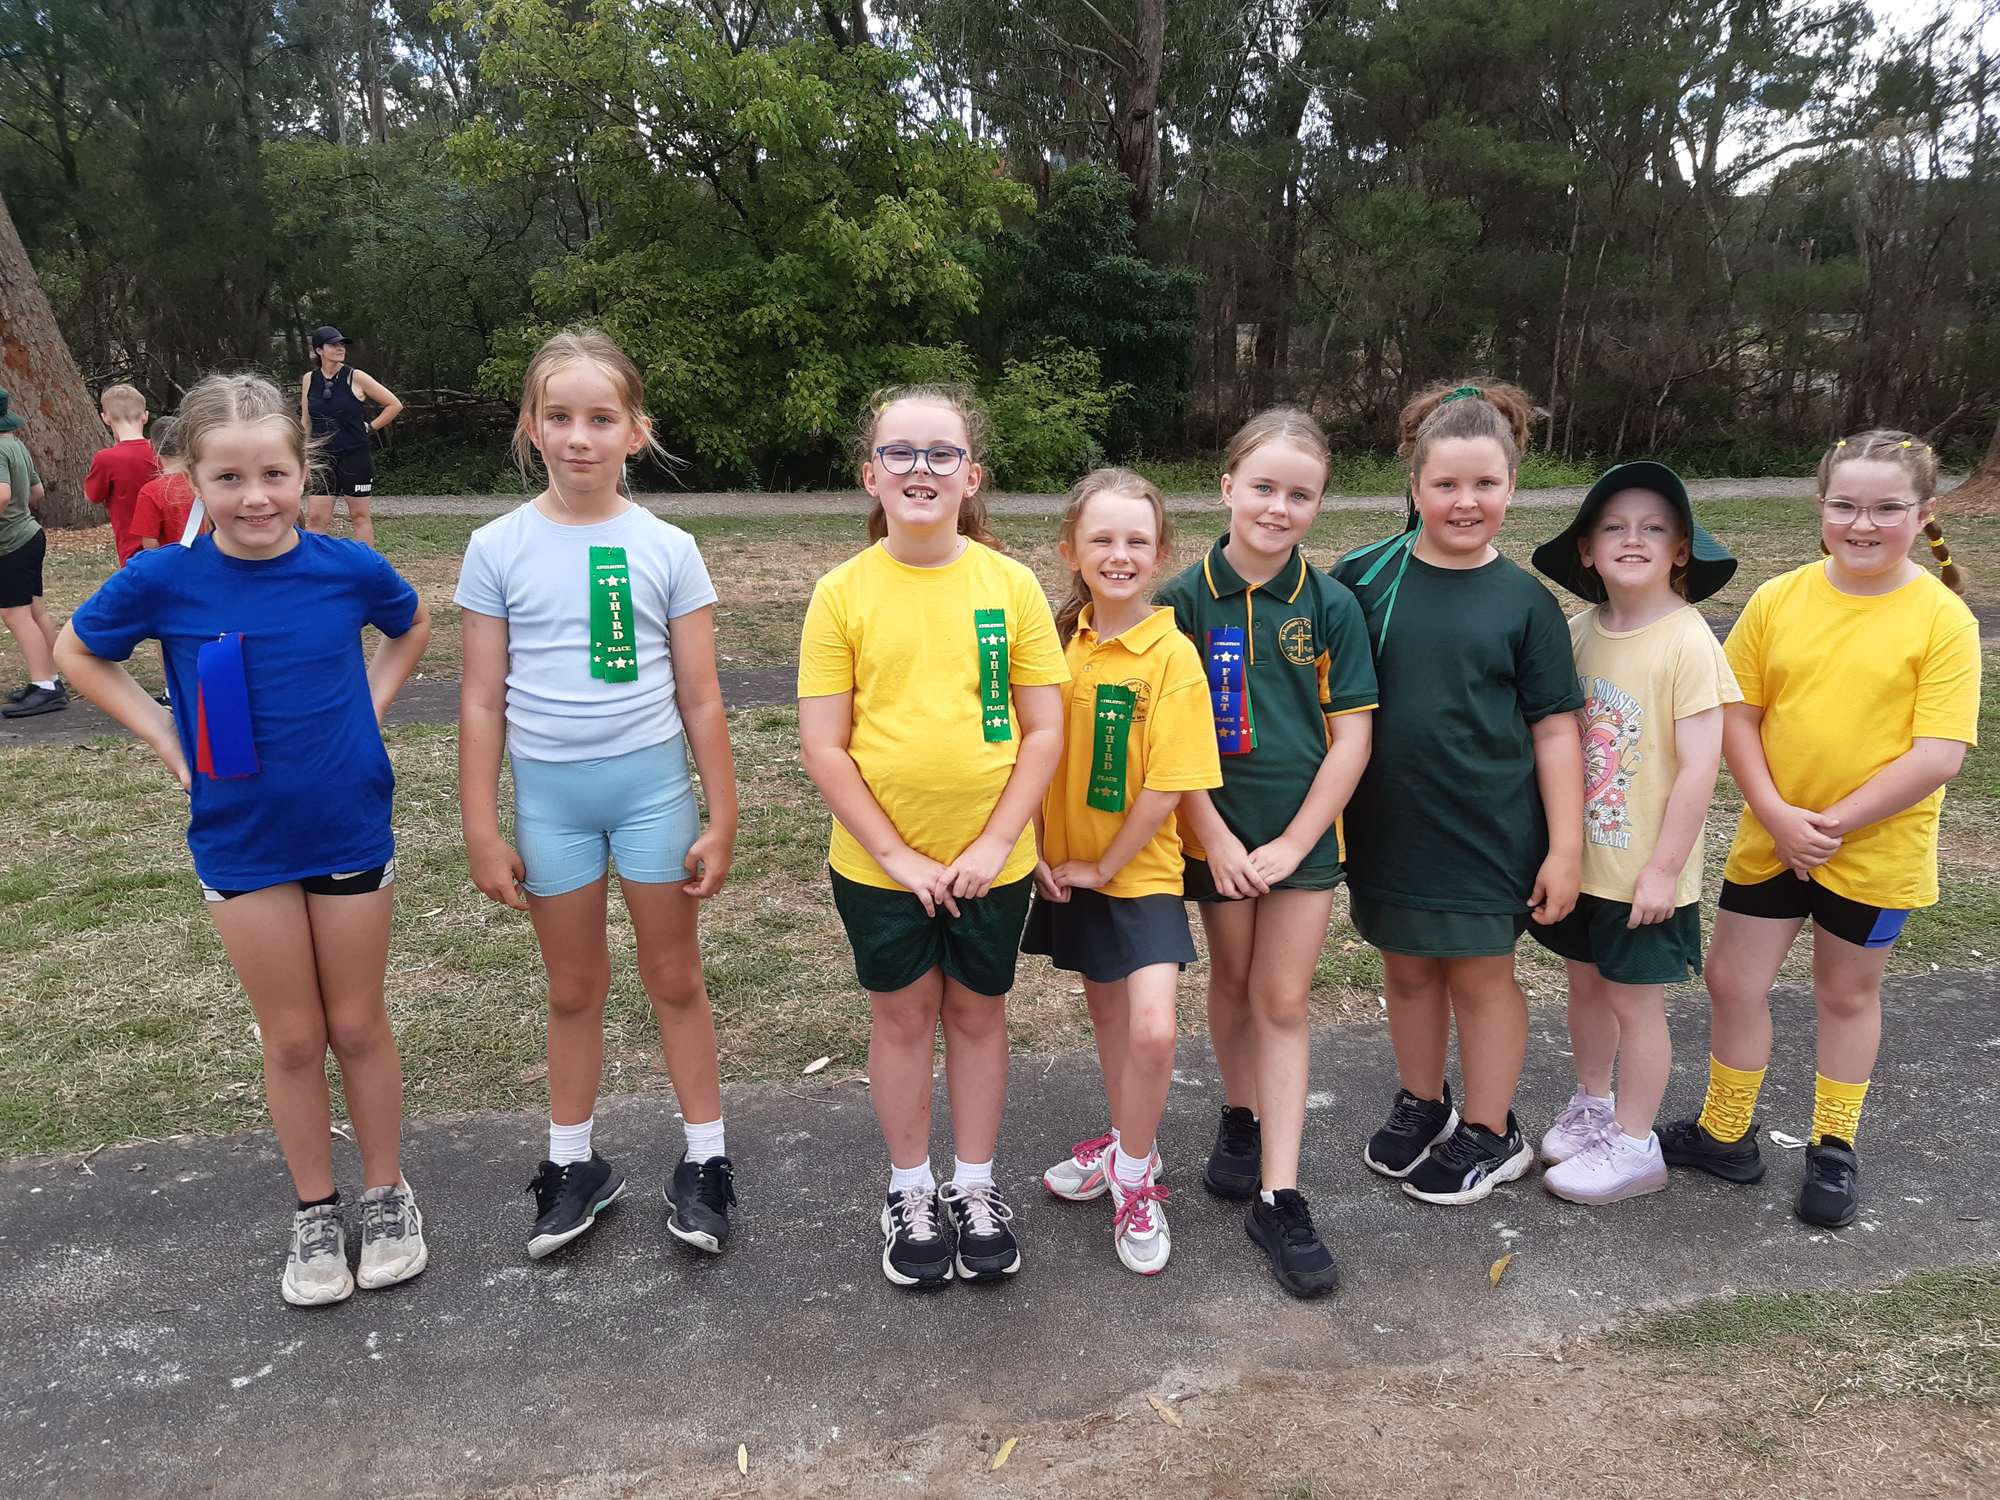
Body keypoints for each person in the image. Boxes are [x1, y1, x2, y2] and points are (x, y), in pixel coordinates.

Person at [53, 372, 433, 1306]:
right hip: (241, 839)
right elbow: (75, 651)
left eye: (273, 475)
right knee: (294, 1038)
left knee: (356, 1024)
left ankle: (387, 1195)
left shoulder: (346, 567)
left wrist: (369, 709)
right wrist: (164, 733)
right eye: (229, 478)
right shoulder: (164, 579)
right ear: (191, 481)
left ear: (304, 473)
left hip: (346, 824)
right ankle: (315, 1210)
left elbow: (411, 623)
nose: (255, 497)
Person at [455, 329, 740, 1262]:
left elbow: (700, 695)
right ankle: (573, 1164)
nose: (580, 437)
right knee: (573, 987)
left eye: (601, 418)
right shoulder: (496, 546)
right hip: (551, 806)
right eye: (560, 417)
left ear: (635, 431)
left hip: (653, 796)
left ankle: (707, 1159)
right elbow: (480, 700)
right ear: (532, 427)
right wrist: (481, 827)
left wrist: (723, 815)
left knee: (675, 978)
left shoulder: (669, 547)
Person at [1661, 431, 1978, 1230]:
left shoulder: (1942, 619)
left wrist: (1828, 826)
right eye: (1845, 506)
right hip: (1773, 840)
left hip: (1874, 854)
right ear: (1821, 506)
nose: (1863, 524)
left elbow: (1938, 754)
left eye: (1887, 508)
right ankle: (1726, 1131)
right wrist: (1777, 814)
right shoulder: (1779, 599)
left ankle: (1833, 1145)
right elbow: (1739, 714)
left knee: (1846, 993)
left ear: (1925, 513)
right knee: (1733, 983)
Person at [797, 384, 1067, 1289]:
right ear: (870, 475)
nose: (921, 468)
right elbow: (825, 747)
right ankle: (910, 1187)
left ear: (971, 476)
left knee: (978, 1015)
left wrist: (994, 844)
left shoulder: (1010, 586)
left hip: (996, 862)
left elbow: (1044, 730)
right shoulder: (842, 594)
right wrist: (899, 857)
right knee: (905, 1017)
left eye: (941, 453)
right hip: (881, 869)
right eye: (900, 452)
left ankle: (974, 1184)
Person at [1332, 380, 1585, 1207]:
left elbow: (1555, 731)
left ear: (1512, 488)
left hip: (1488, 831)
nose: (1465, 501)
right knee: (1407, 971)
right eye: (1445, 483)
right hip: (1388, 824)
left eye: (1485, 483)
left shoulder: (1526, 602)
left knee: (1479, 978)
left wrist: (1565, 847)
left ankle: (1490, 1129)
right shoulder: (1362, 578)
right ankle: (1425, 1102)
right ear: (1414, 486)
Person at [1155, 409, 1376, 1298]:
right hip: (1212, 833)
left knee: (1281, 1000)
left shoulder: (1331, 606)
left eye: (1301, 494)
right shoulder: (1180, 600)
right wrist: (1214, 837)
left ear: (1319, 504)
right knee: (1235, 981)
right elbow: (1166, 741)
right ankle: (1240, 1113)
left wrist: (1293, 841)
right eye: (1263, 487)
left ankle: (1279, 1196)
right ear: (1227, 489)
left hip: (1301, 842)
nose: (1279, 508)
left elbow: (1352, 738)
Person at [1525, 463, 1741, 1204]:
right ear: (1586, 550)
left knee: (1635, 1005)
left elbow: (1701, 766)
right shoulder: (1577, 634)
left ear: (1681, 550)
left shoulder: (1688, 642)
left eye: (1653, 527)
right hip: (1582, 864)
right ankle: (1594, 1104)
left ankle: (1635, 1143)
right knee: (1585, 986)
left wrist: (1663, 870)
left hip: (1643, 873)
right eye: (1614, 526)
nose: (1632, 538)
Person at [1028, 469, 1222, 1276]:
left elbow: (1169, 784)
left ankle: (1135, 1178)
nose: (1119, 554)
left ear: (1161, 553)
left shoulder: (1173, 655)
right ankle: (1123, 1142)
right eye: (1101, 539)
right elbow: (1029, 756)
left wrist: (1104, 863)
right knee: (1108, 1019)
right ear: (1069, 551)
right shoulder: (1053, 647)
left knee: (1153, 1030)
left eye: (1136, 540)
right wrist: (1038, 851)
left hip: (1137, 874)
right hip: (1064, 873)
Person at [301, 326, 401, 548]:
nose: (340, 348)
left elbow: (394, 404)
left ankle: (365, 564)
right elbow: (306, 421)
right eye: (333, 345)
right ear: (319, 350)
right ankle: (314, 564)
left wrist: (371, 427)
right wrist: (304, 456)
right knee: (316, 518)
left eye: (342, 344)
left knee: (359, 516)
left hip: (354, 455)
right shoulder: (309, 379)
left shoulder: (356, 376)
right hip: (322, 458)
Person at [0, 387, 64, 720]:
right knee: (34, 610)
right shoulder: (16, 445)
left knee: (14, 614)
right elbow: (36, 491)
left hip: (11, 543)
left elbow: (2, 495)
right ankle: (50, 678)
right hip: (29, 535)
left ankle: (45, 688)